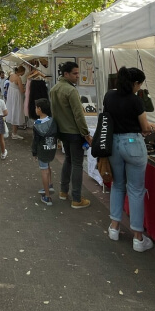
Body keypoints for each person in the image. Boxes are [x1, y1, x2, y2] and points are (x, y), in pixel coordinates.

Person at [104, 66, 155, 252]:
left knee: (118, 185)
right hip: (133, 143)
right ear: (135, 83)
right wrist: (151, 127)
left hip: (113, 144)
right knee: (135, 190)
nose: (139, 87)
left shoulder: (109, 96)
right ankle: (138, 237)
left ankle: (114, 227)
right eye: (139, 84)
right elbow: (144, 127)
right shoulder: (136, 101)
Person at [50, 61, 92, 209]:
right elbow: (78, 115)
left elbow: (54, 112)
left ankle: (63, 191)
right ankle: (76, 198)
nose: (77, 76)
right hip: (73, 132)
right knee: (77, 163)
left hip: (62, 131)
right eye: (75, 73)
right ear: (66, 74)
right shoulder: (71, 90)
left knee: (68, 160)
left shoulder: (54, 89)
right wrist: (86, 134)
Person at [31, 98, 58, 206]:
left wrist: (34, 152)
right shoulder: (52, 121)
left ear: (40, 109)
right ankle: (50, 185)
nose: (35, 109)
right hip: (51, 148)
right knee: (48, 167)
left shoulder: (37, 124)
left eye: (36, 107)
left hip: (42, 149)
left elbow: (35, 141)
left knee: (44, 170)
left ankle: (47, 196)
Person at [6, 66, 26, 140]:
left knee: (13, 111)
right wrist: (27, 89)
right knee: (16, 112)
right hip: (16, 97)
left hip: (11, 96)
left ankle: (14, 132)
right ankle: (14, 133)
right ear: (22, 71)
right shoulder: (18, 78)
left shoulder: (11, 76)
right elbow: (21, 90)